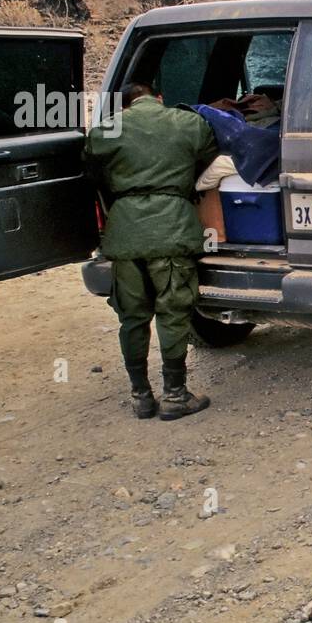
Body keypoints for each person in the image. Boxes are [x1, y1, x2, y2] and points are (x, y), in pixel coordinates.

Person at [85, 82, 218, 420]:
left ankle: (141, 396)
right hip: (171, 229)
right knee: (173, 311)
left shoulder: (106, 130)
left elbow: (92, 172)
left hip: (125, 234)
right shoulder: (187, 122)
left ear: (125, 106)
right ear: (159, 98)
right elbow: (207, 159)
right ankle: (175, 395)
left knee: (132, 317)